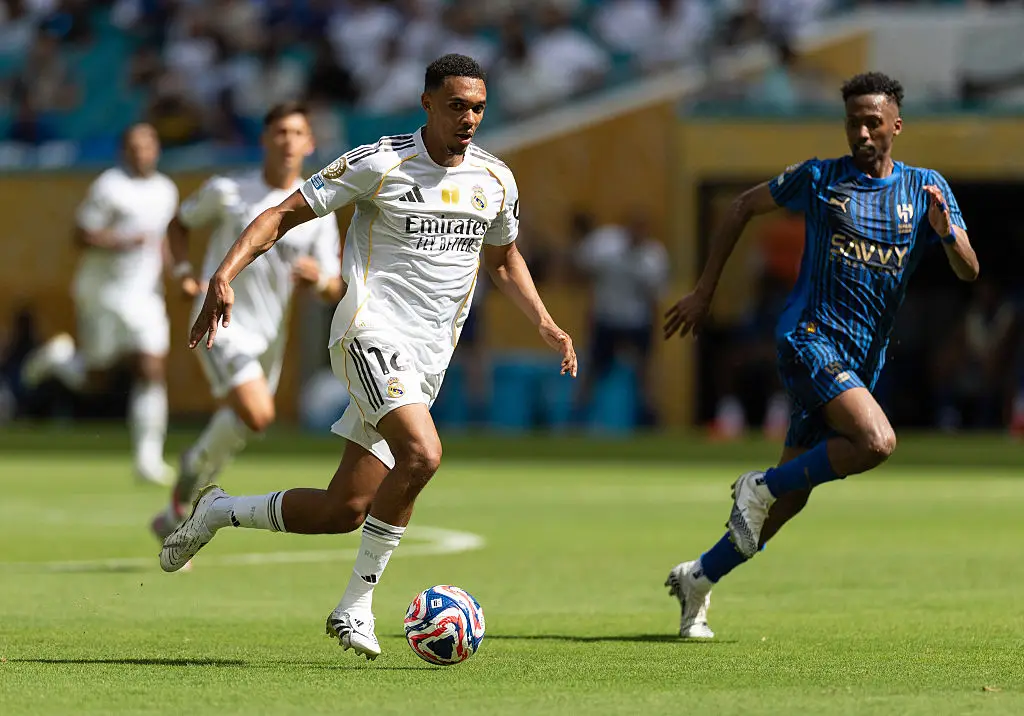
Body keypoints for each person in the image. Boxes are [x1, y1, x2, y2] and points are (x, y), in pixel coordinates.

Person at [159, 54, 577, 660]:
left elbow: (504, 257)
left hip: (427, 361)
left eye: (479, 108)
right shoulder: (380, 162)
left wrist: (544, 321)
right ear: (427, 103)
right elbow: (281, 214)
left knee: (345, 509)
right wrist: (224, 274)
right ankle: (355, 605)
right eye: (457, 106)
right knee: (423, 453)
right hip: (369, 333)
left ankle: (218, 511)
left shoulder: (496, 179)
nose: (469, 118)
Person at [661, 72, 979, 638]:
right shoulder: (818, 178)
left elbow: (969, 269)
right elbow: (740, 206)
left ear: (896, 126)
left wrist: (947, 233)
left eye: (873, 122)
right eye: (854, 122)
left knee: (789, 503)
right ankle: (759, 485)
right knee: (876, 442)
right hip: (808, 339)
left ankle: (699, 578)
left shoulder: (926, 189)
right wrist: (705, 291)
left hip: (860, 362)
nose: (862, 133)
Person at [149, 102, 343, 544]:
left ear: (310, 144)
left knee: (241, 422)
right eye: (280, 132)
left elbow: (334, 287)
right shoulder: (228, 190)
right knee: (257, 413)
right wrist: (184, 274)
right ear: (264, 139)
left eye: (298, 133)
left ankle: (183, 493)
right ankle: (193, 490)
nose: (288, 141)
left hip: (271, 336)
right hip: (222, 323)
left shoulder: (318, 212)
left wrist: (319, 280)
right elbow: (178, 226)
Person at [22, 123, 179, 484]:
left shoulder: (166, 189)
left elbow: (162, 241)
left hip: (145, 297)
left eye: (148, 145)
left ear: (157, 149)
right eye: (134, 146)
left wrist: (179, 272)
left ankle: (148, 458)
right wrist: (120, 240)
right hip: (103, 294)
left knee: (151, 368)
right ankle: (60, 360)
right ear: (124, 151)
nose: (142, 152)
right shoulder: (109, 186)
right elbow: (80, 234)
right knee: (96, 378)